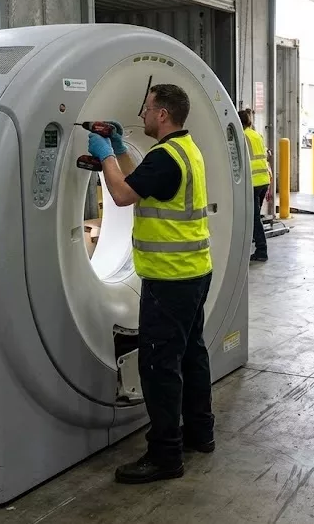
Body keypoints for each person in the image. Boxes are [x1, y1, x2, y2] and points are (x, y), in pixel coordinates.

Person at [89, 83, 215, 484]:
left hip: (169, 278)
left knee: (159, 366)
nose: (142, 114)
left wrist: (105, 156)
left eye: (146, 108)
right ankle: (200, 433)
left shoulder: (164, 157)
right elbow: (141, 181)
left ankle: (165, 456)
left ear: (162, 114)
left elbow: (122, 194)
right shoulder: (185, 150)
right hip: (195, 271)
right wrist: (120, 149)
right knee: (191, 355)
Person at [239, 108, 273, 262]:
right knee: (254, 217)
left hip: (253, 182)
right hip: (263, 180)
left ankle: (261, 250)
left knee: (253, 219)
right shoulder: (256, 135)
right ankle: (255, 243)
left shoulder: (242, 136)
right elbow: (266, 154)